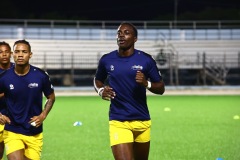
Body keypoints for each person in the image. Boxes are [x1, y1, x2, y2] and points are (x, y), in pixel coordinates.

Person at [93, 22, 165, 160]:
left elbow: (161, 88)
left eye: (126, 32)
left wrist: (146, 83)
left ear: (135, 38)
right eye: (119, 32)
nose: (121, 35)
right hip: (119, 121)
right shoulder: (107, 59)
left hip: (142, 120)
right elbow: (97, 79)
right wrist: (101, 90)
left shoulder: (146, 60)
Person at [0, 39, 55, 160]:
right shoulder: (4, 78)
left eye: (24, 52)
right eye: (17, 51)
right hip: (12, 129)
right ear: (13, 54)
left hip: (34, 131)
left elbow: (51, 97)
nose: (20, 54)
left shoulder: (41, 76)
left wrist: (43, 115)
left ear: (30, 54)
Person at [0, 41, 14, 160]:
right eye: (0, 52)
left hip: (15, 118)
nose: (4, 54)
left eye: (6, 52)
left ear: (11, 53)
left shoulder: (19, 69)